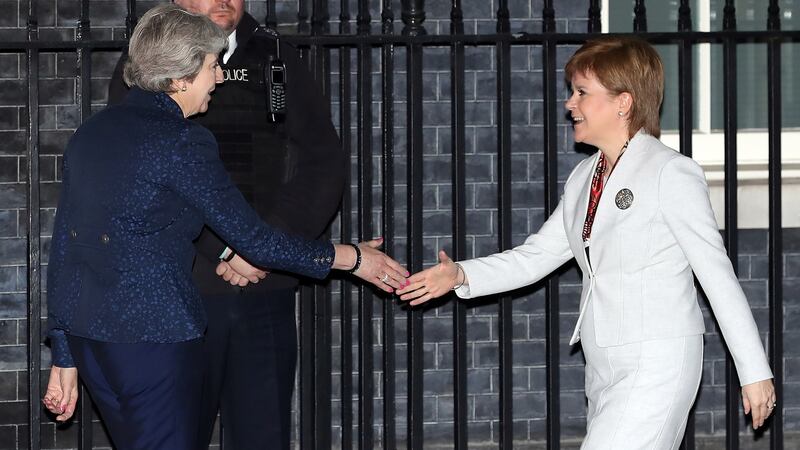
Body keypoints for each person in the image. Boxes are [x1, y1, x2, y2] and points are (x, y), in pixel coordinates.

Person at [41, 5, 406, 449]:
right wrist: (351, 258)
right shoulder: (182, 140)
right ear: (179, 77)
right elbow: (253, 239)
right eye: (212, 67)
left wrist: (64, 349)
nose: (218, 77)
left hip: (95, 339)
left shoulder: (91, 133)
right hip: (157, 332)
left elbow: (66, 248)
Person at [397, 36, 776, 449]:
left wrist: (754, 370)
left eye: (581, 92)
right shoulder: (584, 178)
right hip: (601, 362)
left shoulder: (671, 172)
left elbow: (716, 274)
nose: (569, 104)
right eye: (571, 92)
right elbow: (536, 256)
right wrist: (461, 275)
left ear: (623, 102)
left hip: (658, 360)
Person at [107, 1, 347, 448]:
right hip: (180, 290)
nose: (224, 1)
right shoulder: (150, 61)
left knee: (263, 434)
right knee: (176, 434)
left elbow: (323, 161)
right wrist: (227, 247)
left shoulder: (277, 55)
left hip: (264, 284)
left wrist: (264, 245)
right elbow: (140, 173)